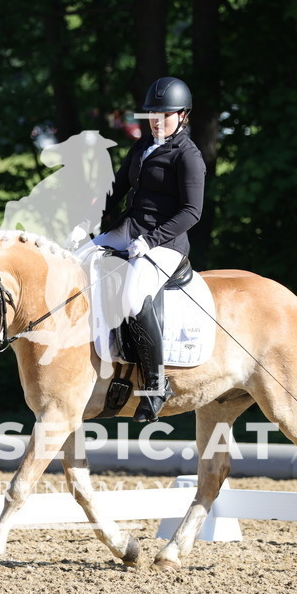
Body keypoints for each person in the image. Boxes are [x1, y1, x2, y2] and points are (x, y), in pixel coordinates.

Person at [92, 76, 206, 422]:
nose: (156, 120)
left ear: (182, 116)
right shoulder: (143, 146)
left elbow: (192, 212)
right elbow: (120, 186)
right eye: (151, 114)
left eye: (164, 114)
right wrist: (93, 212)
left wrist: (151, 241)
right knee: (77, 264)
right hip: (129, 229)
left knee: (132, 296)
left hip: (166, 242)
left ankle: (156, 385)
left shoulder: (188, 156)